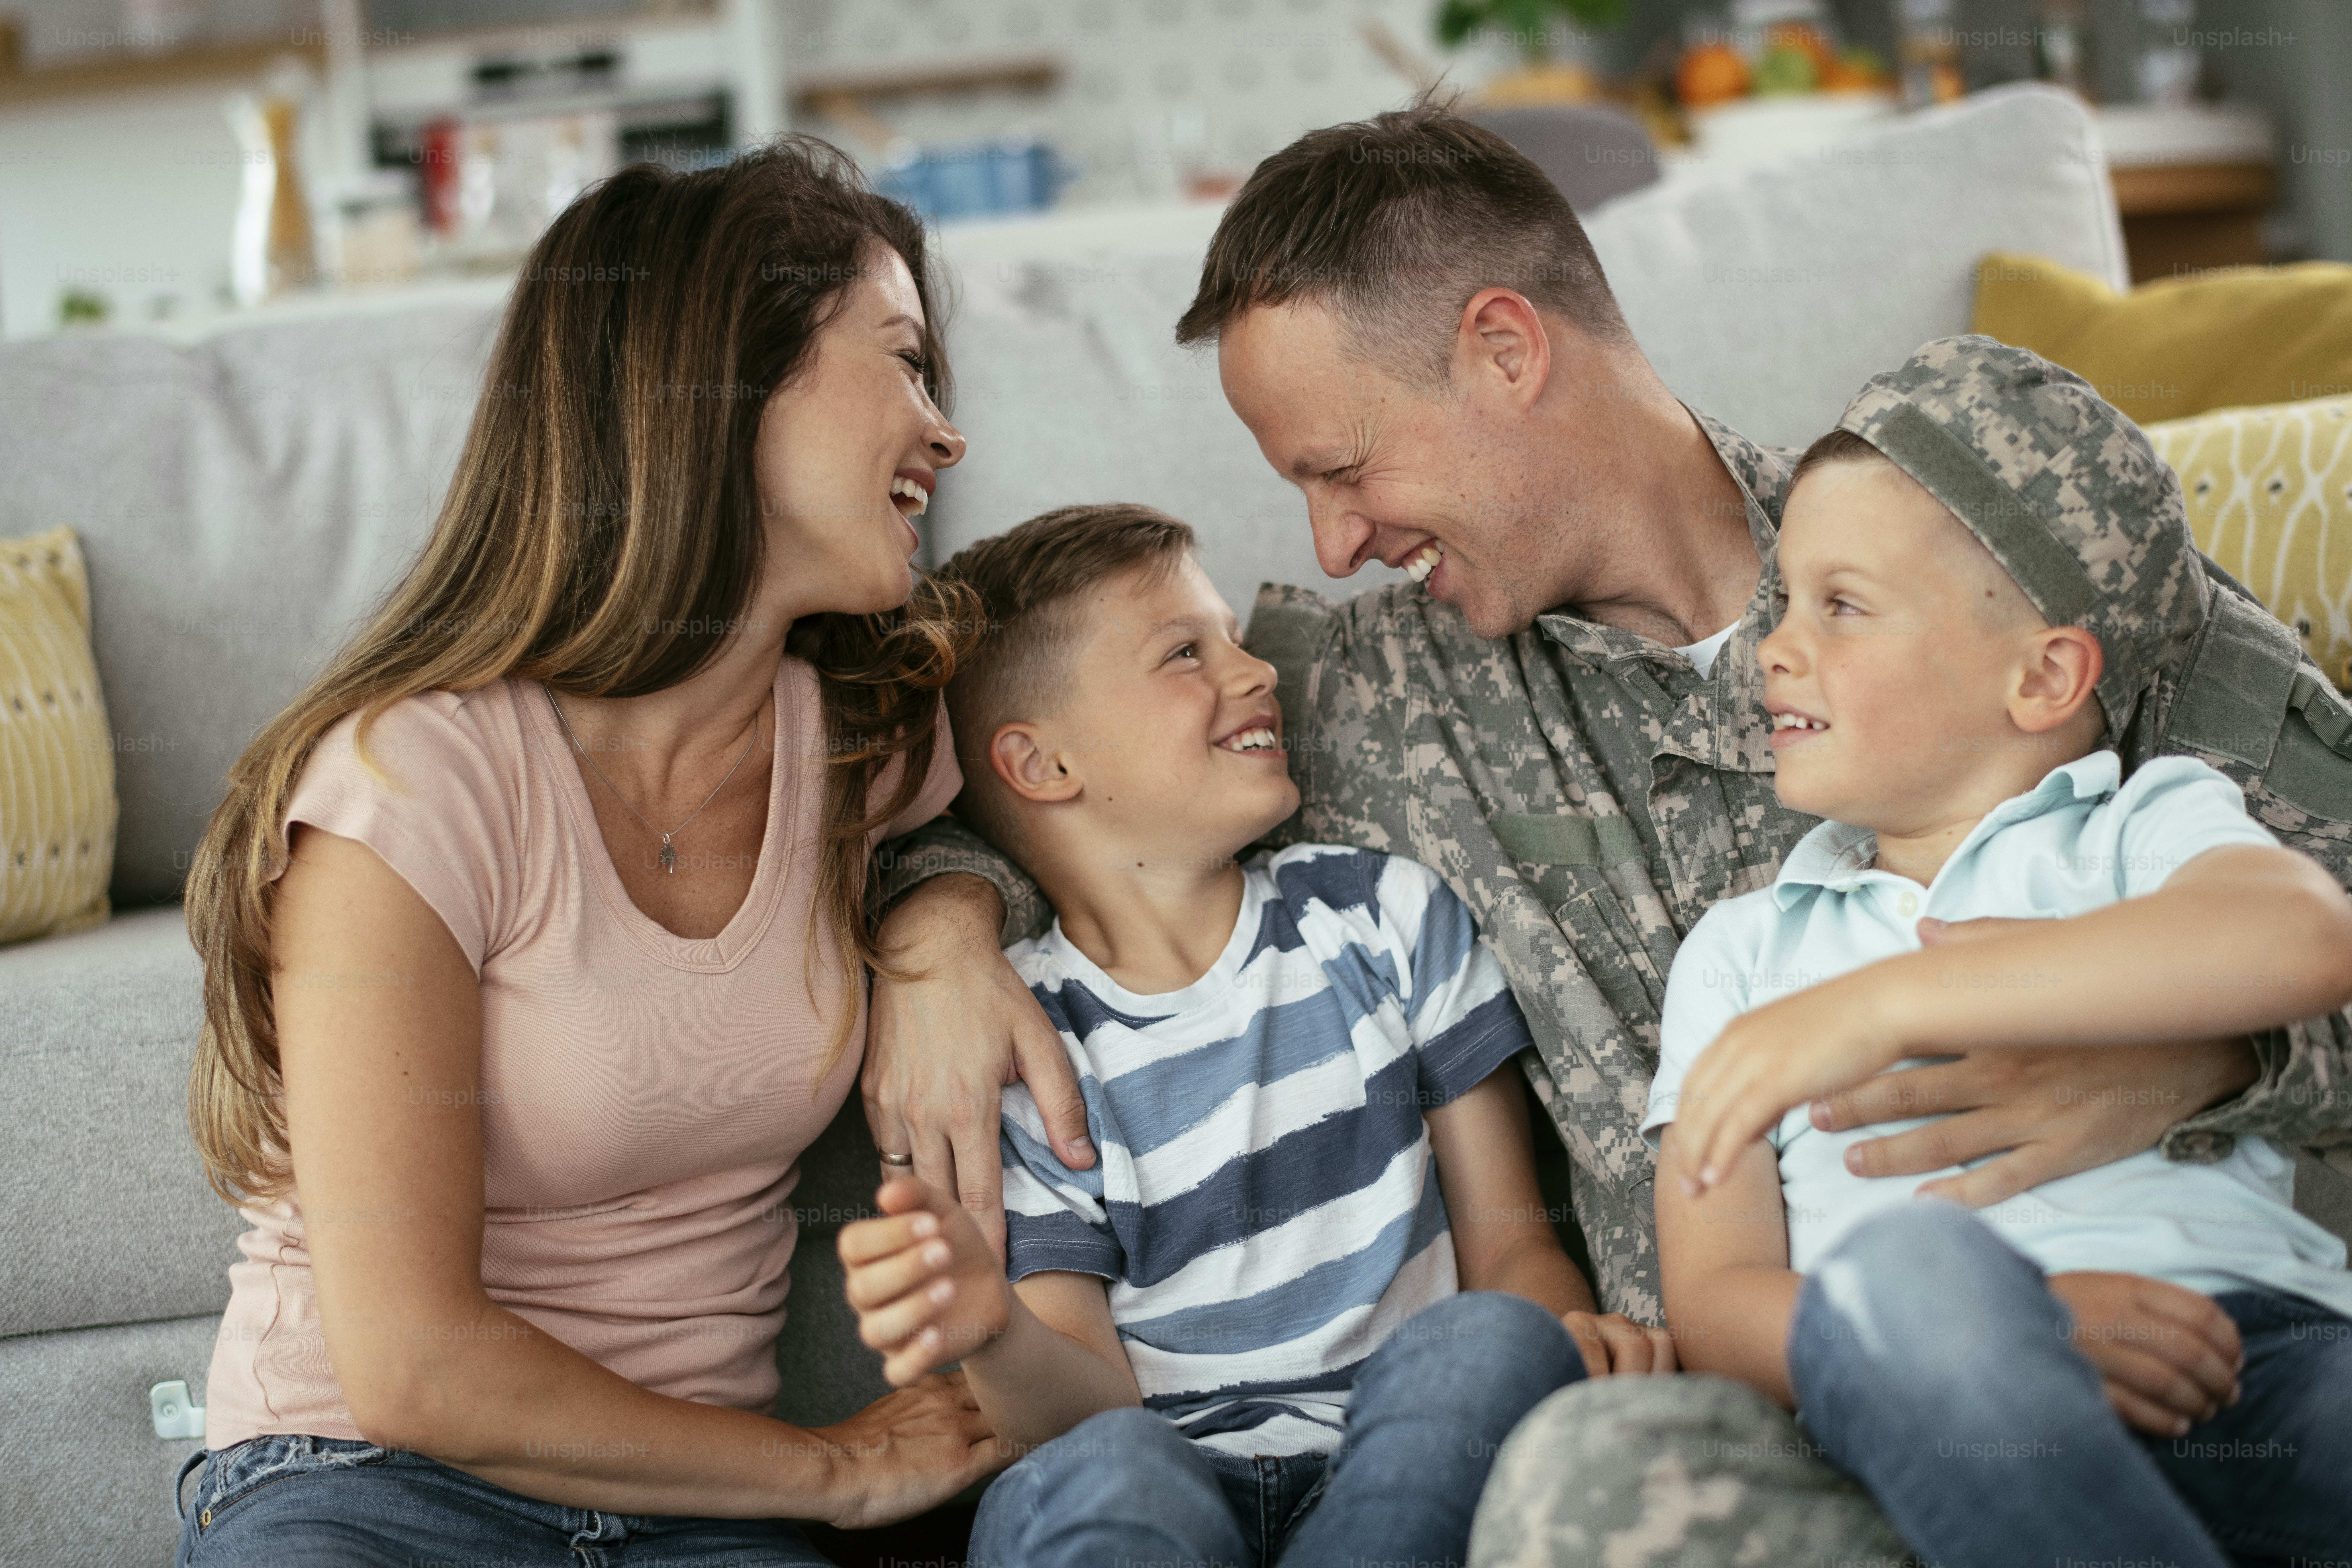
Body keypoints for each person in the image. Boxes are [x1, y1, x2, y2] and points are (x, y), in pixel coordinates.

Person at [857, 101, 2352, 1562]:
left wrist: (2214, 1062)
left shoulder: (1967, 552)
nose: (1332, 543)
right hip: (1774, 1418)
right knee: (1581, 1494)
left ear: (1506, 350)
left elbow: (2319, 888)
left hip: (2211, 1338)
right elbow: (1083, 767)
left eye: (1340, 470)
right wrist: (938, 931)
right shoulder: (1366, 694)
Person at [174, 140, 1001, 1564]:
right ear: (726, 383)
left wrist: (949, 918)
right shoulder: (413, 785)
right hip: (363, 1477)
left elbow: (1102, 783)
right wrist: (831, 1471)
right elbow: (413, 1363)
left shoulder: (864, 744)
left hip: (700, 1524)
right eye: (904, 363)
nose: (945, 432)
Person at [837, 505, 1674, 1568]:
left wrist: (1565, 1334)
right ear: (1042, 765)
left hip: (1396, 1457)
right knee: (1094, 1477)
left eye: (1232, 636)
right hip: (1162, 1477)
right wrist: (990, 1329)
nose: (1254, 671)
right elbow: (1085, 1409)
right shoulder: (1016, 1045)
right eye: (1187, 652)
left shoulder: (1384, 918)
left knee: (1492, 1346)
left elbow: (1510, 1241)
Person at [1643, 339, 2352, 1568]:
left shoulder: (2147, 821)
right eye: (1784, 599)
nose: (1775, 644)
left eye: (1841, 605)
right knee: (1912, 1273)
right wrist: (2021, 1333)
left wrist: (1893, 997)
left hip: (2254, 1357)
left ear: (2043, 677)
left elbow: (2302, 932)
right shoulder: (1743, 953)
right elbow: (1717, 1300)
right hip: (1939, 1398)